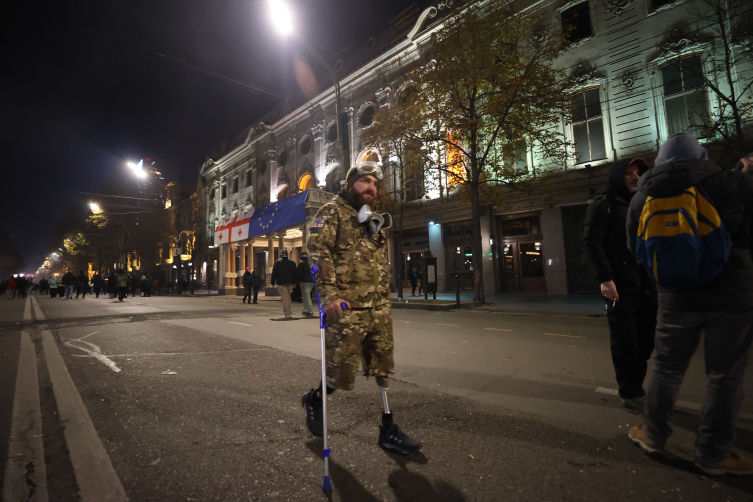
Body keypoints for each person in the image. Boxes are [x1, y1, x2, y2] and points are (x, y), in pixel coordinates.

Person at [626, 133, 753, 475]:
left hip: (675, 296)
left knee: (667, 367)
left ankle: (652, 434)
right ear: (702, 156)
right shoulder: (732, 183)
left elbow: (636, 247)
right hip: (731, 296)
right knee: (724, 376)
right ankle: (714, 452)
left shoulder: (642, 196)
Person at [301, 161, 421, 454]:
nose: (371, 188)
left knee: (382, 367)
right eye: (365, 181)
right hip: (346, 307)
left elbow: (377, 263)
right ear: (350, 183)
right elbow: (316, 252)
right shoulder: (329, 212)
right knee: (340, 370)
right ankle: (316, 399)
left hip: (377, 307)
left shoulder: (372, 220)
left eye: (375, 184)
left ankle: (388, 428)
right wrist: (328, 296)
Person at [582, 158, 657, 413]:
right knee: (627, 343)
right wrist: (605, 278)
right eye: (628, 173)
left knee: (646, 342)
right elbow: (591, 242)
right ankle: (631, 392)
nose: (635, 177)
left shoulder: (645, 204)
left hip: (648, 284)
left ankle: (636, 386)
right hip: (620, 287)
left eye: (639, 173)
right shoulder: (604, 205)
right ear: (617, 177)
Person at [270, 248, 298, 318]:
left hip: (282, 283)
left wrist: (272, 282)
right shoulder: (292, 262)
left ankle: (287, 314)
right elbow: (295, 273)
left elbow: (274, 273)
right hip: (290, 283)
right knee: (288, 298)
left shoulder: (278, 262)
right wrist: (295, 282)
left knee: (285, 298)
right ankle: (289, 312)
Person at [297, 252, 315, 316]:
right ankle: (305, 309)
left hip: (304, 281)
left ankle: (310, 311)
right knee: (305, 296)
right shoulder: (311, 264)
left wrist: (297, 280)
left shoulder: (301, 264)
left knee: (306, 296)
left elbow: (299, 273)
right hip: (311, 281)